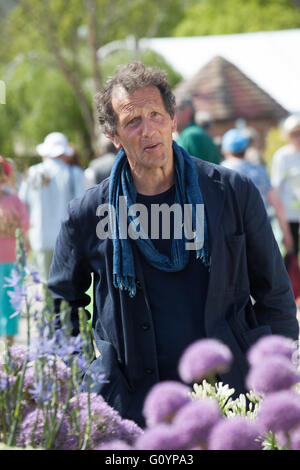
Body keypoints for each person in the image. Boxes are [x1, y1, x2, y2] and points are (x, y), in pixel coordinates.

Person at [48, 62, 298, 427]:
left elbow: (274, 294)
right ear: (113, 134)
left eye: (155, 115)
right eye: (132, 121)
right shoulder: (88, 213)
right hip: (133, 404)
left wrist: (275, 379)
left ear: (173, 120)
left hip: (230, 396)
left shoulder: (232, 193)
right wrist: (92, 375)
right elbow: (59, 307)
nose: (147, 129)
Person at [18, 132, 85, 282]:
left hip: (40, 237)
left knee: (44, 284)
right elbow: (82, 207)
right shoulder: (75, 173)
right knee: (68, 287)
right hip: (68, 239)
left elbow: (23, 204)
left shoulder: (33, 172)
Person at [221, 128, 294, 254]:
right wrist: (287, 234)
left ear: (225, 149)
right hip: (261, 231)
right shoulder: (259, 171)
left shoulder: (219, 172)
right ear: (246, 148)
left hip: (231, 236)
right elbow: (277, 204)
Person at [0, 156, 29, 346]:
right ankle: (9, 335)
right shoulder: (14, 199)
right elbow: (25, 224)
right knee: (11, 295)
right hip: (13, 254)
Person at [271, 115, 300, 257]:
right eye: (294, 133)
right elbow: (276, 189)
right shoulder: (282, 156)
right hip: (289, 216)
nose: (297, 137)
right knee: (291, 256)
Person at [176, 98, 221, 164]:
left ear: (187, 111)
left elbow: (195, 171)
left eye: (175, 109)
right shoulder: (191, 133)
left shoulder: (191, 135)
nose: (170, 114)